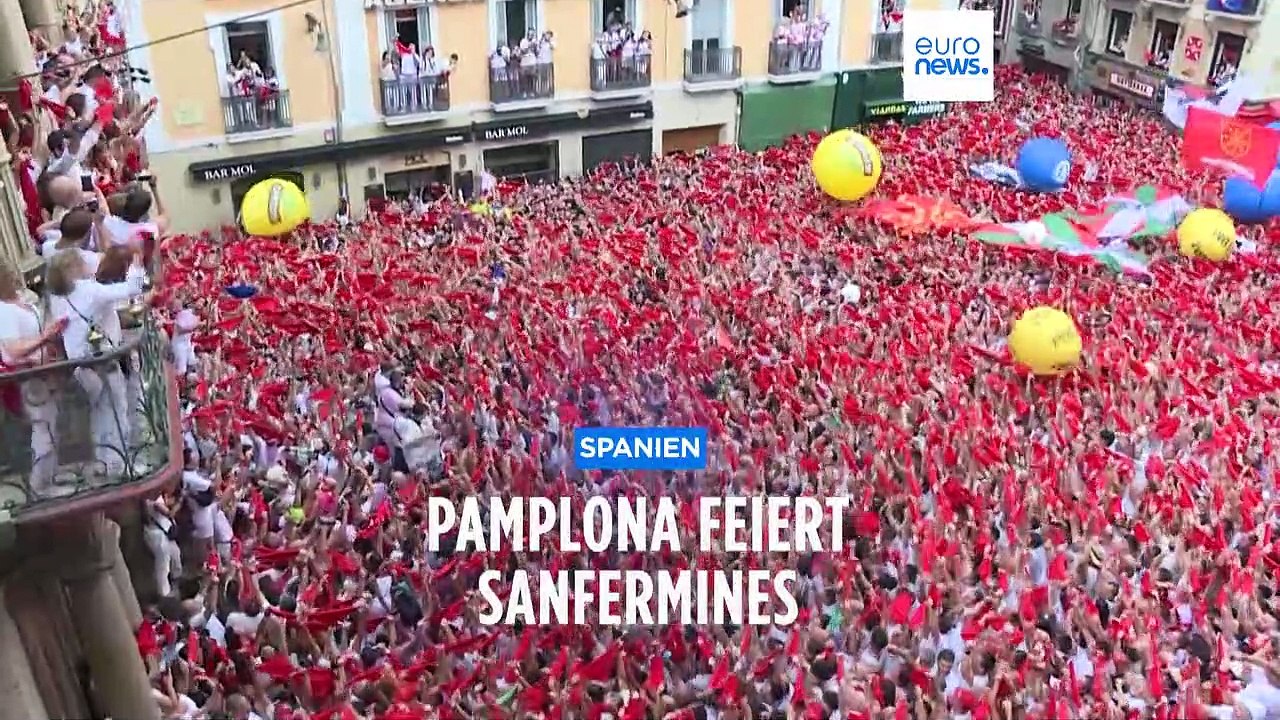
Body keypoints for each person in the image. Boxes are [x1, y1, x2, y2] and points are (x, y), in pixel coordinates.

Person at [44, 246, 146, 475]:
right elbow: (131, 288)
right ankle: (120, 466)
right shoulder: (88, 290)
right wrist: (137, 266)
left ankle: (103, 461)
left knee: (99, 414)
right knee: (116, 412)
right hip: (102, 362)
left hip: (79, 365)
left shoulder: (57, 295)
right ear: (73, 269)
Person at [0, 261, 67, 494]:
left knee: (52, 425)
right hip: (28, 376)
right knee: (42, 428)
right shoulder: (3, 311)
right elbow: (12, 351)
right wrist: (44, 337)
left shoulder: (20, 300)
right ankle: (40, 485)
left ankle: (51, 476)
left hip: (43, 370)